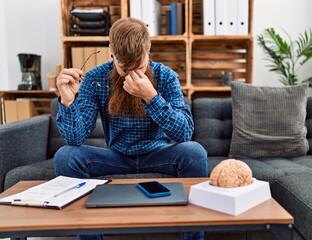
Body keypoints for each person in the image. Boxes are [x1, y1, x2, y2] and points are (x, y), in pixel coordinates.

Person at [54, 18, 208, 240]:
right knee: (66, 156)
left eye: (140, 66)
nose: (133, 75)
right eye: (125, 68)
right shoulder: (96, 78)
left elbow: (184, 134)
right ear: (112, 53)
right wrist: (68, 102)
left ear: (148, 50)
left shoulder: (166, 76)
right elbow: (76, 138)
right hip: (116, 156)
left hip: (158, 154)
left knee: (194, 152)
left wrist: (151, 96)